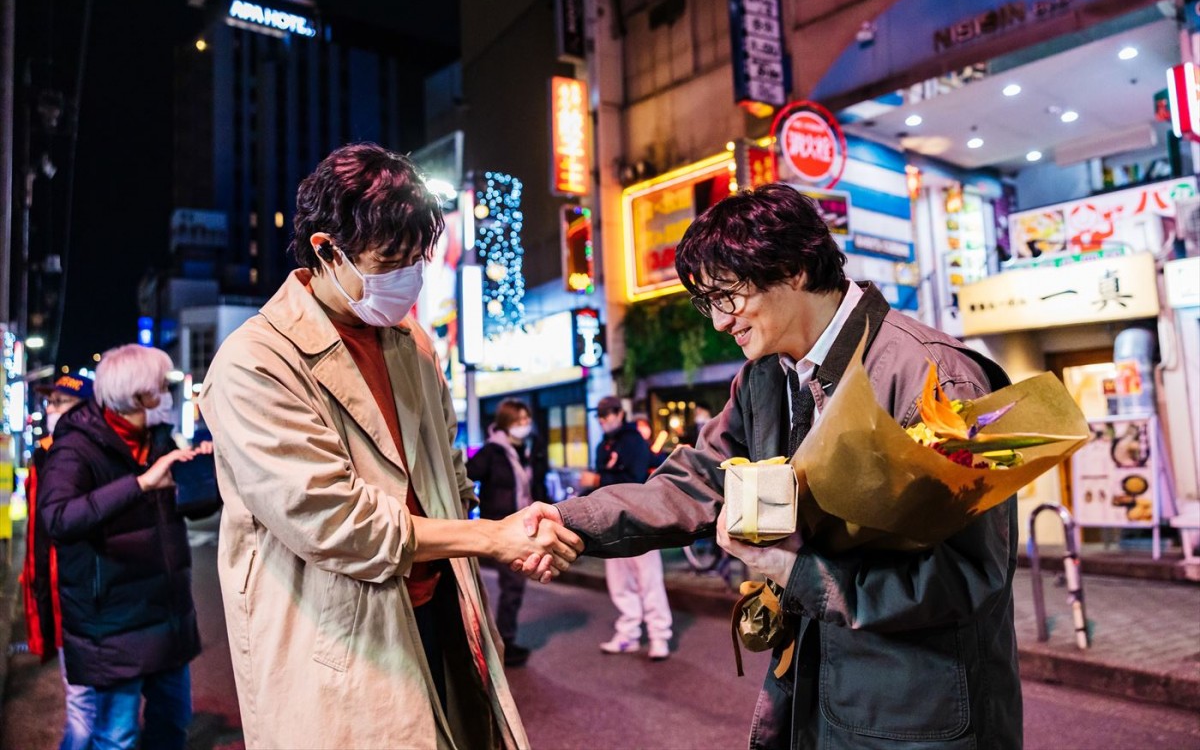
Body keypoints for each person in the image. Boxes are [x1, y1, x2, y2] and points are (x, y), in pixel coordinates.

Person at [518, 183, 1020, 748]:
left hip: (918, 715)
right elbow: (696, 482)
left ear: (795, 268)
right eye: (707, 303)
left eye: (727, 296)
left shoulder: (936, 376)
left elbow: (971, 574)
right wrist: (566, 520)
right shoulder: (766, 378)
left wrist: (795, 572)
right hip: (814, 690)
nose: (718, 323)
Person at [199, 143, 582, 749]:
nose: (408, 279)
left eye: (416, 260)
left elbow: (449, 477)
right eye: (389, 261)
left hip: (441, 612)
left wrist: (502, 548)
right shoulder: (254, 362)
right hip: (338, 642)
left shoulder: (411, 341)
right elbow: (334, 520)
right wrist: (491, 537)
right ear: (326, 251)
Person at [39, 346, 212, 750]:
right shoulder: (75, 446)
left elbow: (182, 502)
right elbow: (57, 518)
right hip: (111, 626)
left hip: (167, 618)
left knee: (172, 725)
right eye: (161, 387)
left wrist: (207, 474)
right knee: (116, 738)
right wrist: (138, 485)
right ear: (137, 396)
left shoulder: (157, 437)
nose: (168, 395)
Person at [20, 372, 92, 750]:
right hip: (59, 588)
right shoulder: (47, 452)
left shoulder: (78, 452)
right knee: (85, 706)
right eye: (49, 402)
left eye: (60, 402)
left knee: (86, 710)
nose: (50, 409)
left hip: (79, 594)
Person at [466, 398, 549, 667]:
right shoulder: (493, 452)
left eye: (527, 420)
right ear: (505, 424)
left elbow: (537, 485)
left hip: (526, 524)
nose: (525, 425)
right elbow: (467, 477)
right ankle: (501, 642)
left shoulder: (530, 449)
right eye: (518, 421)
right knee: (510, 585)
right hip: (502, 527)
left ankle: (500, 640)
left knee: (515, 585)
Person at [589, 395, 673, 661]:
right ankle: (628, 635)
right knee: (619, 582)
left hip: (640, 519)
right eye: (600, 416)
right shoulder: (604, 444)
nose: (603, 421)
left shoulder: (633, 440)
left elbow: (634, 480)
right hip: (612, 522)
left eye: (607, 415)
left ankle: (659, 636)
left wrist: (600, 477)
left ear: (619, 414)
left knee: (649, 580)